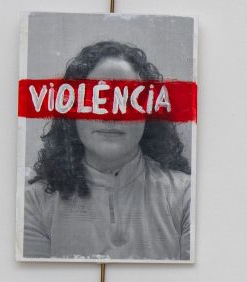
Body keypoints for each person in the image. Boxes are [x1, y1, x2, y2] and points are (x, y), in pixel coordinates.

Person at [23, 41, 192, 260]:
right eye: (97, 97)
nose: (111, 114)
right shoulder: (35, 202)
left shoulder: (186, 197)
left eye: (127, 99)